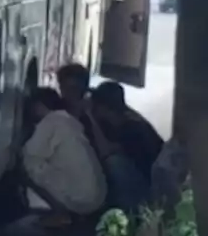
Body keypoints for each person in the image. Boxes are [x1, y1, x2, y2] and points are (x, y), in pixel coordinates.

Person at [21, 87, 107, 221]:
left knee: (27, 166)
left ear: (39, 105)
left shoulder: (51, 121)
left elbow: (30, 153)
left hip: (83, 199)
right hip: (97, 199)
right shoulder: (68, 119)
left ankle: (61, 214)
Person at [90, 81, 162, 215]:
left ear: (104, 107)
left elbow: (105, 151)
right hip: (145, 180)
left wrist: (90, 118)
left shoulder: (133, 127)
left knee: (114, 163)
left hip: (149, 188)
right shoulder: (123, 119)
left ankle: (131, 213)